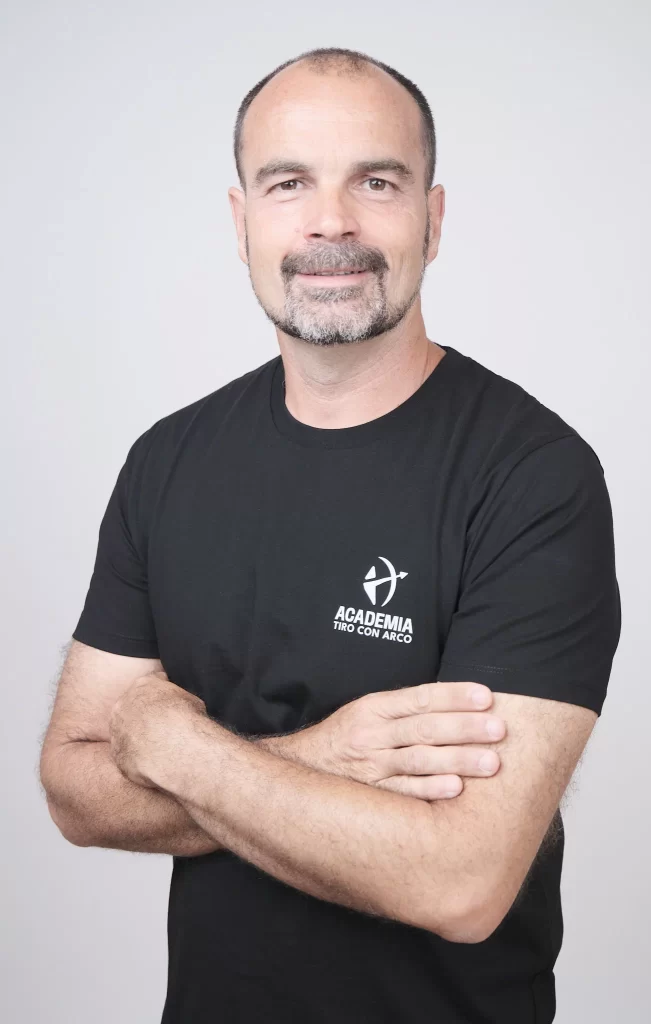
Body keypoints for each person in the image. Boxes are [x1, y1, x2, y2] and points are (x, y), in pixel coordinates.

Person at [39, 46, 621, 1024]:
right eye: (287, 182)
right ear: (241, 223)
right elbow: (73, 790)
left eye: (377, 181)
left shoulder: (532, 478)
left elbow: (461, 882)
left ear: (432, 221)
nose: (330, 223)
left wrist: (163, 738)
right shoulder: (167, 462)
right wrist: (322, 755)